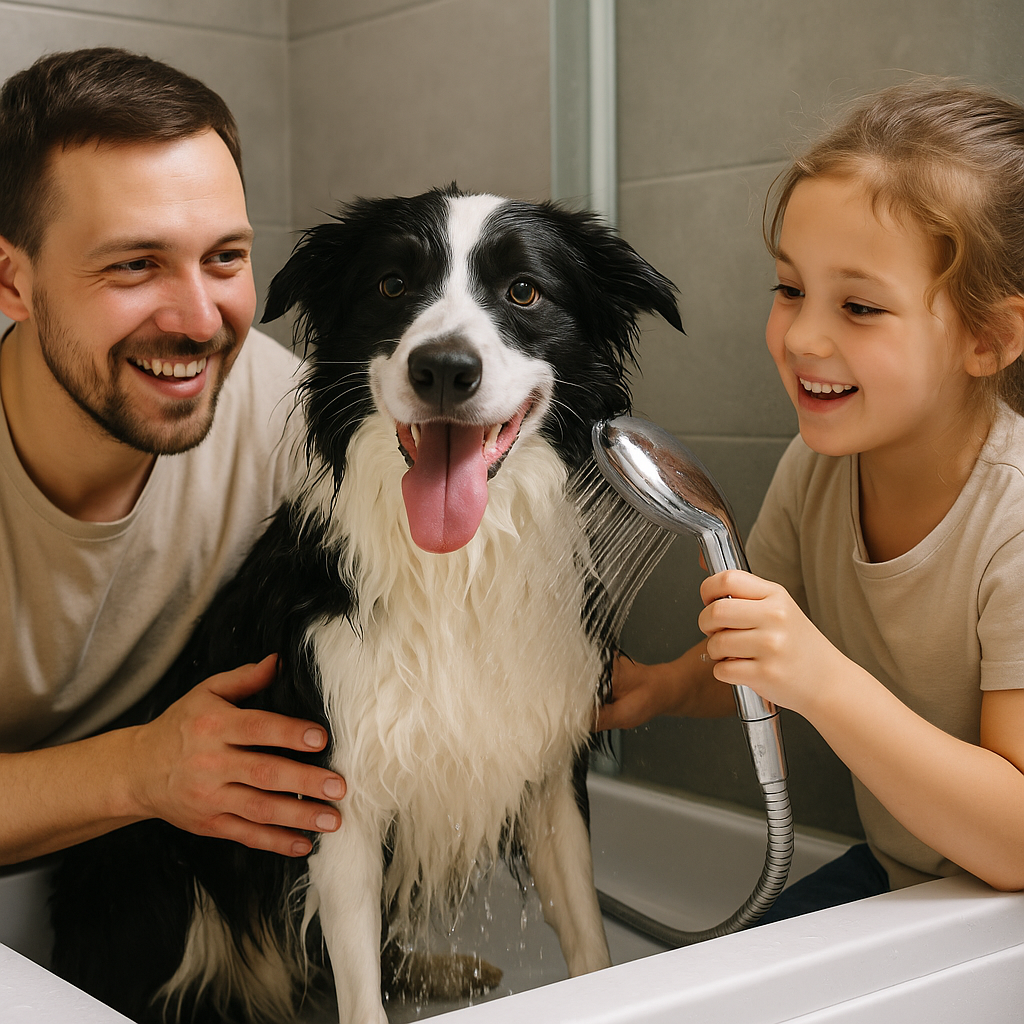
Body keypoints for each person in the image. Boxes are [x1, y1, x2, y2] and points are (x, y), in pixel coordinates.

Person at [597, 80, 1024, 921]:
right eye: (790, 289)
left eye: (858, 306)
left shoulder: (1013, 520)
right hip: (913, 874)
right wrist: (661, 689)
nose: (800, 337)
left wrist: (821, 678)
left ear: (990, 339)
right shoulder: (818, 468)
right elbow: (766, 660)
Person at [0, 47, 346, 867]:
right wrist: (141, 769)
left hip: (138, 877)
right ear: (12, 283)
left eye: (225, 257)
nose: (199, 321)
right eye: (135, 264)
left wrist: (680, 681)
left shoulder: (276, 407)